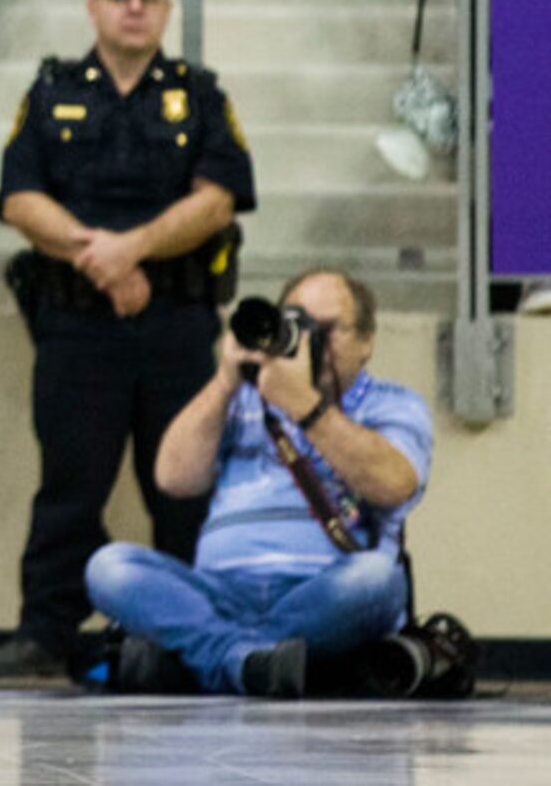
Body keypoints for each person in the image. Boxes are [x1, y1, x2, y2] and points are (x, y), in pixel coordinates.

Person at [0, 0, 259, 681]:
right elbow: (18, 198)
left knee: (183, 489)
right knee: (69, 484)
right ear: (93, 6)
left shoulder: (199, 95)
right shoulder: (51, 90)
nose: (134, 8)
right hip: (76, 328)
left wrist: (130, 250)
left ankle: (193, 638)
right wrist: (97, 258)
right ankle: (46, 633)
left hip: (177, 325)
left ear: (166, 10)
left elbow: (218, 199)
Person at [87, 271, 430, 699]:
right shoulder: (240, 399)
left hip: (322, 591)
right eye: (298, 324)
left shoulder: (392, 403)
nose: (310, 342)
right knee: (109, 566)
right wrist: (224, 381)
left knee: (378, 579)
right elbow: (173, 478)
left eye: (327, 329)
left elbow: (396, 484)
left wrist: (305, 406)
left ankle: (210, 654)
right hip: (219, 592)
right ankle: (251, 662)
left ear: (367, 341)